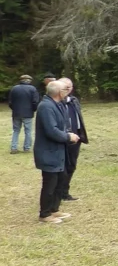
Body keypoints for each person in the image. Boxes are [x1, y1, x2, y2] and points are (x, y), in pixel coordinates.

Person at [34, 80, 78, 224]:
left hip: (59, 151)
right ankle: (44, 214)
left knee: (60, 180)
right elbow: (51, 131)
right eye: (65, 89)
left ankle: (54, 209)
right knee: (50, 184)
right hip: (49, 152)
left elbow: (62, 125)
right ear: (60, 92)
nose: (68, 91)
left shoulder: (57, 104)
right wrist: (68, 136)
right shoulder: (46, 106)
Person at [58, 78, 88, 201]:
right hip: (62, 138)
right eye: (65, 86)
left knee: (71, 165)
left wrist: (80, 135)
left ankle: (65, 192)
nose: (68, 88)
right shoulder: (56, 103)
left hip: (76, 137)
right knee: (62, 167)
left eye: (70, 86)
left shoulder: (74, 100)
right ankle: (57, 193)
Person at [9, 74, 40, 154]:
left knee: (16, 130)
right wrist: (33, 109)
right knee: (28, 131)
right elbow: (35, 102)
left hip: (16, 113)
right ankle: (26, 148)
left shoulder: (14, 88)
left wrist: (14, 109)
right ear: (29, 81)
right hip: (28, 113)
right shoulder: (32, 89)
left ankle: (14, 148)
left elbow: (10, 102)